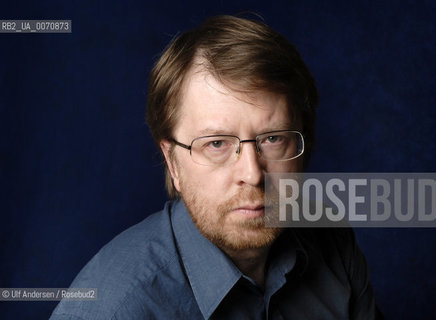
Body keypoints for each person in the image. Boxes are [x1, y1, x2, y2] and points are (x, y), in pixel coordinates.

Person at [51, 15, 381, 319]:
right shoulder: (111, 309)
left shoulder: (333, 243)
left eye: (274, 139)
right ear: (173, 163)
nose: (252, 174)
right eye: (217, 144)